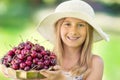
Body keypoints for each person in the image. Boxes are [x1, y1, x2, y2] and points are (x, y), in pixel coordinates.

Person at [37, 0, 109, 80]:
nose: (73, 31)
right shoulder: (45, 61)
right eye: (67, 24)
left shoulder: (95, 63)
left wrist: (61, 78)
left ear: (89, 31)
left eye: (81, 25)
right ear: (58, 29)